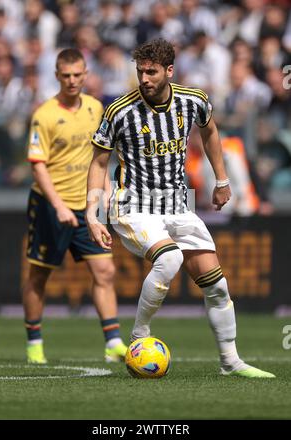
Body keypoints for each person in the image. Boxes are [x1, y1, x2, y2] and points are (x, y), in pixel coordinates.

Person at [86, 39, 275, 378]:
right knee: (170, 258)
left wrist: (221, 179)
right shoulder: (119, 111)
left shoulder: (194, 101)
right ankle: (139, 335)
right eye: (140, 71)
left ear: (169, 71)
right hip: (133, 205)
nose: (144, 79)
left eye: (152, 72)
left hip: (178, 205)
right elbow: (99, 162)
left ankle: (230, 362)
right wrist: (92, 214)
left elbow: (211, 132)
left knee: (217, 285)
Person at [23, 48, 127, 364]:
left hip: (86, 207)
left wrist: (107, 189)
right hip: (50, 205)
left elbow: (101, 155)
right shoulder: (44, 114)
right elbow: (38, 165)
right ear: (57, 76)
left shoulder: (97, 108)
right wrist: (58, 206)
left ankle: (113, 342)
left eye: (77, 75)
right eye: (65, 75)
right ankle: (34, 343)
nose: (71, 81)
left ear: (85, 74)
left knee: (105, 270)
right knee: (40, 275)